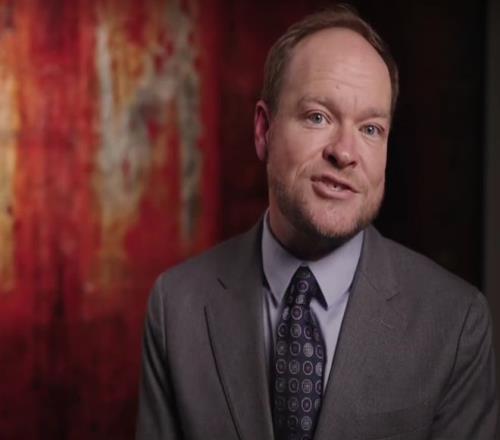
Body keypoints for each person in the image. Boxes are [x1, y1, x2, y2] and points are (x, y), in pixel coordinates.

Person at [135, 6, 498, 440]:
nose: (344, 152)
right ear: (263, 130)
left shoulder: (456, 323)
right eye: (318, 117)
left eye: (370, 129)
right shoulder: (176, 306)